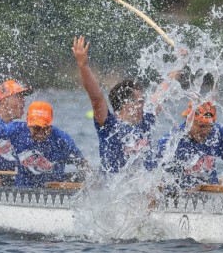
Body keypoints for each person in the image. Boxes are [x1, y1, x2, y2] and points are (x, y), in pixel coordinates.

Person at [72, 36, 179, 174]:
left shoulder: (146, 121)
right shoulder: (108, 124)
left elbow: (164, 90)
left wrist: (180, 62)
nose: (143, 105)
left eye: (143, 101)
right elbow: (96, 98)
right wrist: (83, 65)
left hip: (142, 188)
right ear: (125, 104)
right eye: (139, 101)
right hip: (114, 190)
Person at [157, 101, 223, 190]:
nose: (206, 131)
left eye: (210, 126)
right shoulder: (173, 142)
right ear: (189, 121)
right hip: (182, 192)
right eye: (201, 126)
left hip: (210, 189)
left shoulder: (218, 132)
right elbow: (158, 176)